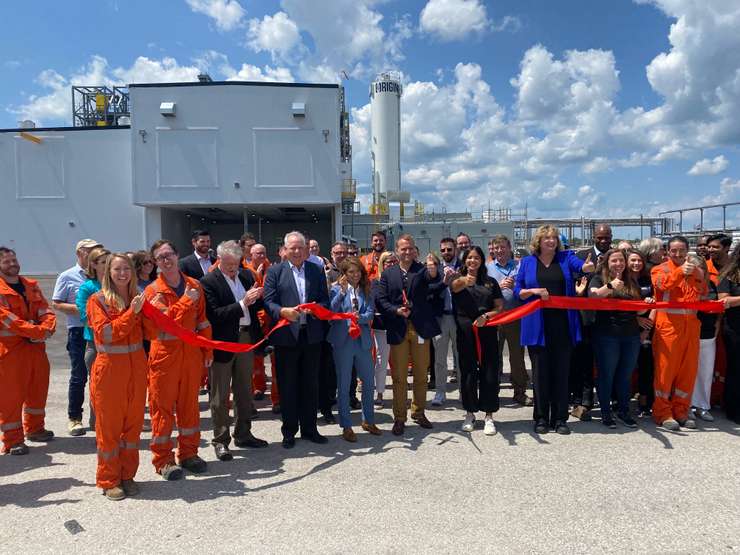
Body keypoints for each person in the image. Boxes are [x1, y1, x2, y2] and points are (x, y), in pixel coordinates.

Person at [515, 225, 595, 435]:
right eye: (546, 238)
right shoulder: (527, 262)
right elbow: (517, 290)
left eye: (554, 238)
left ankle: (560, 418)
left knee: (561, 374)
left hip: (563, 325)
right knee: (540, 375)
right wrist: (531, 291)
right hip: (537, 326)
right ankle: (541, 417)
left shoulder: (566, 258)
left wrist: (587, 268)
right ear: (539, 241)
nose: (551, 241)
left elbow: (581, 267)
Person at [144, 240, 213, 479]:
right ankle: (163, 460)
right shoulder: (152, 292)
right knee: (162, 409)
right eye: (160, 257)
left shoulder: (194, 285)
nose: (166, 260)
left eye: (169, 254)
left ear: (177, 255)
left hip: (191, 355)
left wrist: (207, 351)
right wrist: (186, 301)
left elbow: (202, 321)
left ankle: (189, 454)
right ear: (155, 263)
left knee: (189, 407)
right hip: (164, 356)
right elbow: (166, 322)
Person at [86, 253, 147, 500]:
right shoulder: (97, 300)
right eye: (117, 269)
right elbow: (108, 334)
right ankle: (109, 479)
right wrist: (132, 313)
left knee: (132, 429)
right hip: (110, 372)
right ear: (108, 273)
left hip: (136, 370)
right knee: (109, 429)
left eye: (126, 269)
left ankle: (127, 475)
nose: (122, 274)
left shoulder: (137, 298)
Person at [201, 241, 268, 462]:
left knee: (244, 390)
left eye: (236, 264)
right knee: (220, 395)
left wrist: (259, 299)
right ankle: (221, 440)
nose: (232, 268)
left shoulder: (247, 277)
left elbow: (256, 308)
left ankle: (243, 434)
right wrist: (243, 303)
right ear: (219, 260)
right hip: (223, 342)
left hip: (246, 337)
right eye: (228, 264)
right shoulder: (209, 282)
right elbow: (215, 315)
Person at [264, 231, 330, 448]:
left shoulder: (316, 269)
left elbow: (324, 299)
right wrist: (282, 311)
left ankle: (310, 429)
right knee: (288, 385)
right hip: (286, 337)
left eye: (301, 247)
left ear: (306, 248)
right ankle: (289, 431)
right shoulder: (275, 271)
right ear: (285, 249)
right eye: (292, 247)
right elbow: (268, 301)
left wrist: (316, 309)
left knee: (310, 384)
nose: (297, 251)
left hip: (311, 336)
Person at [376, 234, 441, 436]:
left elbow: (434, 286)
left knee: (421, 373)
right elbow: (381, 299)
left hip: (420, 328)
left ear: (415, 250)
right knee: (399, 377)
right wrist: (395, 310)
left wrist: (435, 275)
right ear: (397, 251)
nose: (407, 252)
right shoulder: (388, 274)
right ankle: (399, 417)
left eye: (410, 248)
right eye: (403, 249)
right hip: (398, 327)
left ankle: (419, 412)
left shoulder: (423, 270)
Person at [0, 247, 57, 455]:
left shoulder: (31, 285)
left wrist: (46, 328)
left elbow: (46, 311)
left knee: (38, 391)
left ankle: (35, 429)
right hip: (11, 353)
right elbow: (7, 320)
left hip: (36, 349)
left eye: (14, 260)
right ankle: (13, 440)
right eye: (7, 261)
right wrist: (37, 331)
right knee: (11, 398)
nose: (12, 264)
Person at [651, 235, 707, 431]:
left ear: (687, 250)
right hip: (668, 329)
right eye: (673, 250)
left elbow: (704, 292)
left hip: (691, 328)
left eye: (681, 250)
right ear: (667, 251)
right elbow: (662, 285)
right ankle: (662, 413)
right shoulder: (659, 269)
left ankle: (681, 410)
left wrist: (695, 273)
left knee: (688, 372)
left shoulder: (696, 270)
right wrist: (679, 273)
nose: (678, 254)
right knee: (665, 374)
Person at [588, 249, 645, 429]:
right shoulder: (598, 278)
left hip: (631, 335)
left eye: (621, 260)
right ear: (607, 263)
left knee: (625, 376)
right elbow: (592, 296)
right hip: (607, 335)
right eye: (614, 261)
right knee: (606, 375)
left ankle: (623, 410)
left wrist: (647, 303)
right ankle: (606, 412)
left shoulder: (631, 280)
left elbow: (639, 310)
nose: (618, 264)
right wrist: (612, 285)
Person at [451, 246, 504, 435]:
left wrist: (487, 317)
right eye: (469, 258)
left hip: (487, 330)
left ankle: (489, 415)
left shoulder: (490, 283)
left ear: (482, 261)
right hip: (465, 332)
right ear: (465, 261)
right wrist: (465, 280)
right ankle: (470, 412)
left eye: (476, 258)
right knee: (467, 372)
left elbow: (499, 307)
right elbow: (454, 287)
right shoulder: (459, 280)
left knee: (490, 371)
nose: (472, 261)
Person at [52, 238, 102, 437]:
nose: (95, 254)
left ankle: (97, 417)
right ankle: (75, 418)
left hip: (101, 332)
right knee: (79, 376)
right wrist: (87, 310)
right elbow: (56, 303)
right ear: (80, 253)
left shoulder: (103, 277)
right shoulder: (67, 276)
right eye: (91, 251)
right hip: (79, 332)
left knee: (100, 377)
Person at [327, 258, 380, 441]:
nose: (355, 275)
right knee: (344, 383)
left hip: (362, 340)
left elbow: (371, 312)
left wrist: (360, 318)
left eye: (358, 272)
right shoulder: (335, 289)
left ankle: (369, 420)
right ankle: (347, 425)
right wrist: (341, 293)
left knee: (368, 381)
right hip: (343, 341)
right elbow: (331, 313)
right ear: (344, 274)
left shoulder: (366, 289)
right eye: (351, 272)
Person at [569, 224, 610, 421]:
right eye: (600, 237)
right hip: (585, 318)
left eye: (607, 237)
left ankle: (608, 402)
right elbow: (575, 280)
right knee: (583, 361)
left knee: (605, 362)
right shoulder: (581, 256)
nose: (603, 241)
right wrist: (593, 270)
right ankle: (582, 402)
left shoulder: (616, 256)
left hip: (609, 320)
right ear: (593, 237)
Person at [486, 234, 532, 406]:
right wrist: (497, 288)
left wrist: (515, 286)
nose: (500, 251)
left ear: (509, 248)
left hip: (515, 316)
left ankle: (519, 391)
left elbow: (527, 286)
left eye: (503, 247)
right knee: (493, 356)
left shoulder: (519, 266)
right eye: (497, 248)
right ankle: (493, 391)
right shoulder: (488, 268)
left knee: (517, 357)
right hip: (495, 318)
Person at [74, 247, 111, 434]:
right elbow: (84, 315)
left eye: (109, 261)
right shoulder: (87, 288)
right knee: (99, 388)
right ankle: (97, 424)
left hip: (120, 345)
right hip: (96, 345)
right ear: (94, 265)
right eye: (104, 262)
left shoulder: (119, 285)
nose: (108, 265)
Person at [244, 243, 278, 409]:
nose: (261, 256)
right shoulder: (245, 271)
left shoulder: (272, 269)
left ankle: (276, 400)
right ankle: (256, 390)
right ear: (250, 254)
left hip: (270, 321)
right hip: (253, 323)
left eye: (263, 253)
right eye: (258, 253)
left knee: (274, 362)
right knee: (253, 362)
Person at [627, 249, 657, 417]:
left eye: (639, 260)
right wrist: (636, 320)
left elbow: (656, 305)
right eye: (633, 260)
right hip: (626, 327)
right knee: (625, 367)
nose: (636, 263)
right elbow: (618, 305)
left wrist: (646, 330)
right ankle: (621, 400)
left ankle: (645, 402)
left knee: (646, 366)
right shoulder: (622, 280)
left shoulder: (648, 279)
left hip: (647, 328)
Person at [432, 238, 461, 406]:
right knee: (440, 359)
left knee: (461, 357)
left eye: (449, 249)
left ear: (455, 250)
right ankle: (440, 392)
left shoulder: (463, 267)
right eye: (443, 250)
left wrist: (458, 279)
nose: (446, 253)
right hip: (441, 318)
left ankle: (463, 392)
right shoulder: (436, 270)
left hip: (458, 318)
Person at [690, 255, 719, 422]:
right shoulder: (683, 285)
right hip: (688, 333)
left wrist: (718, 323)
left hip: (708, 334)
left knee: (706, 372)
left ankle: (702, 406)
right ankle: (686, 405)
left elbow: (720, 304)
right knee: (687, 373)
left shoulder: (712, 285)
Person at [371, 251, 396, 407]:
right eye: (388, 262)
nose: (391, 264)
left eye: (394, 261)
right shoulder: (375, 282)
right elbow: (376, 303)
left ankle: (400, 395)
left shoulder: (402, 279)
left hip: (399, 325)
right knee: (381, 361)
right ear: (382, 264)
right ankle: (379, 393)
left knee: (399, 362)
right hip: (382, 327)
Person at [718, 246, 740, 423]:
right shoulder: (730, 275)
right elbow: (723, 301)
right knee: (736, 369)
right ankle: (733, 409)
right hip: (735, 328)